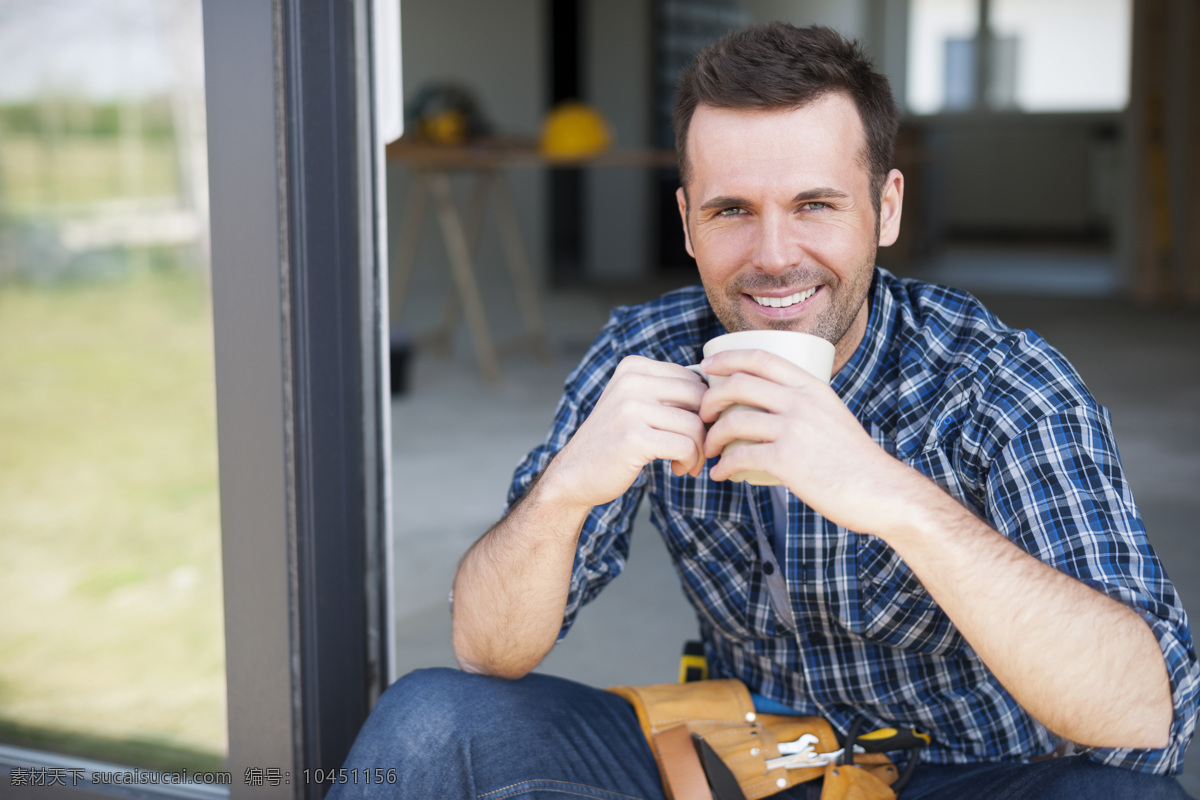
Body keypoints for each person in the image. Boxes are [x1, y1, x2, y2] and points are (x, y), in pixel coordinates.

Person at [331, 23, 1199, 800]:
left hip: (974, 771)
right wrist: (562, 494)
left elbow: (1141, 708)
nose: (775, 257)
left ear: (885, 207)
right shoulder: (646, 357)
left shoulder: (1000, 383)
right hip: (747, 753)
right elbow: (489, 651)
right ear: (687, 222)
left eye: (815, 204)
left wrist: (886, 494)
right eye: (732, 211)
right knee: (430, 721)